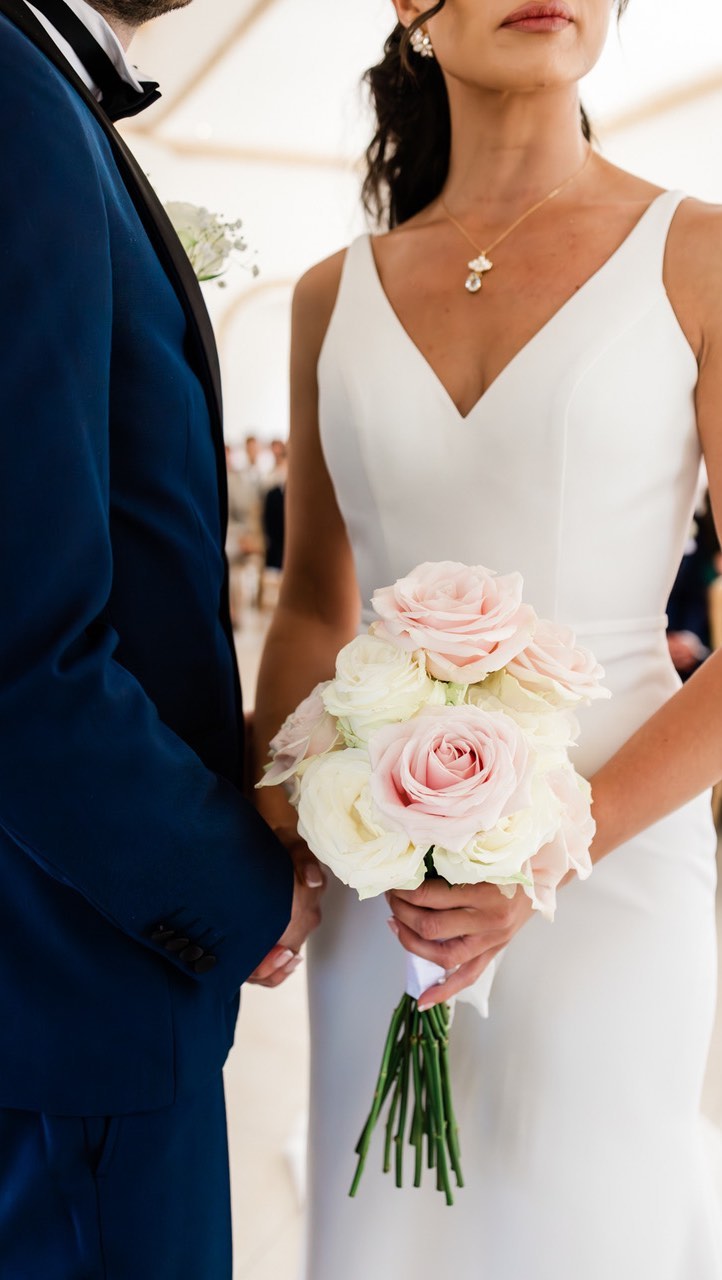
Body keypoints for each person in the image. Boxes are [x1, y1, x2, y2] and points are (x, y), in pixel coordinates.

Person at [254, 2, 722, 1277]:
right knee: (388, 1226)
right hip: (380, 872)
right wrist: (277, 835)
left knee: (585, 1214)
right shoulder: (325, 296)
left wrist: (551, 853)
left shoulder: (699, 256)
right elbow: (311, 601)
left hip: (613, 870)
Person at [0, 0, 322, 1273]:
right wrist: (232, 885)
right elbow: (26, 652)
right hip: (68, 979)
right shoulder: (19, 107)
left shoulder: (47, 96)